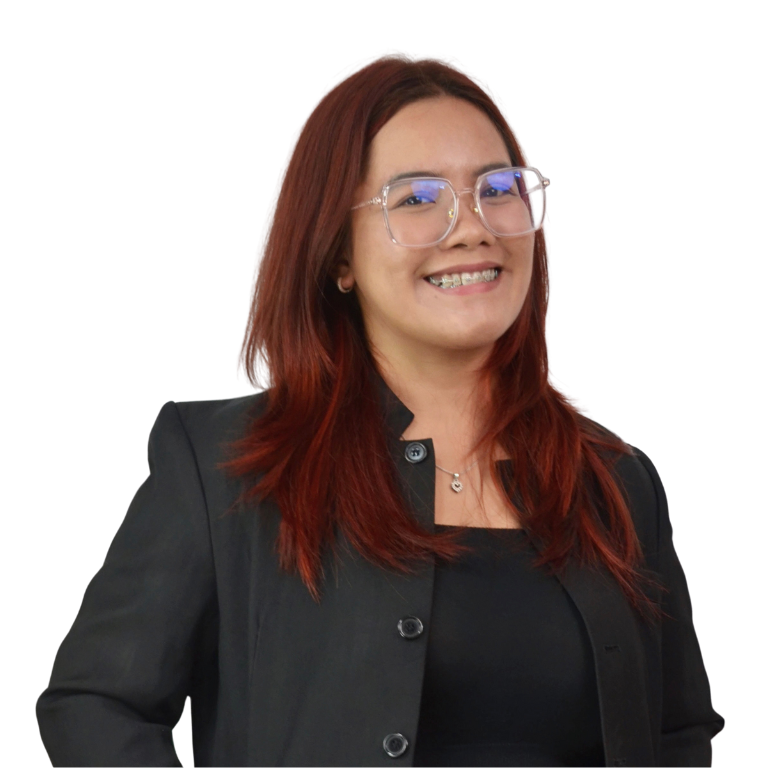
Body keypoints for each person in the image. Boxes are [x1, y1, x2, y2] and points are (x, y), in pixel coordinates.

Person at [36, 56, 724, 767]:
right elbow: (95, 705)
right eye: (417, 198)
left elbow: (676, 733)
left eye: (497, 189)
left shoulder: (616, 482)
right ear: (338, 254)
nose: (472, 227)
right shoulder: (226, 467)